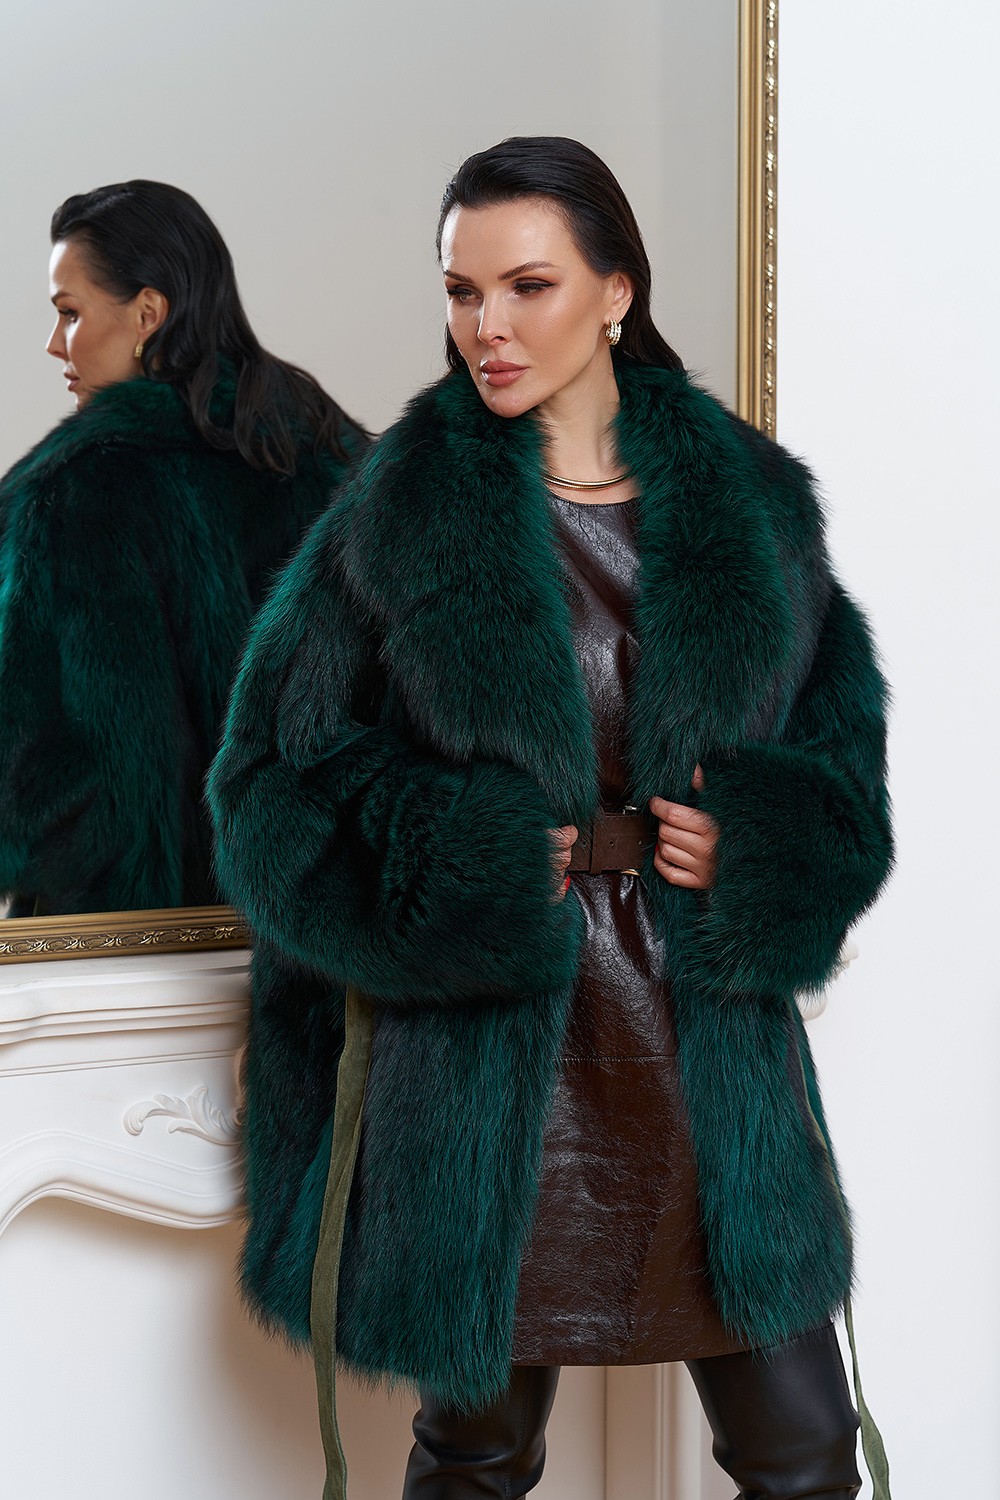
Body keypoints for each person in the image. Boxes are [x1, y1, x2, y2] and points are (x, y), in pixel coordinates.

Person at [209, 138, 893, 1500]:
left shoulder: (754, 507)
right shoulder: (398, 511)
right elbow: (268, 781)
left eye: (527, 286)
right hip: (485, 1056)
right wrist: (452, 856)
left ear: (616, 293)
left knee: (805, 1451)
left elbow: (842, 770)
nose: (488, 326)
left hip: (701, 1042)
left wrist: (758, 847)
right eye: (463, 291)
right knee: (479, 1454)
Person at [0, 180, 365, 917]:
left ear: (147, 313)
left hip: (118, 942)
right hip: (298, 934)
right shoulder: (333, 458)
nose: (54, 343)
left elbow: (28, 762)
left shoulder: (76, 488)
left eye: (69, 313)